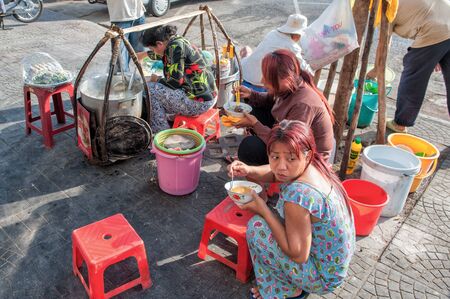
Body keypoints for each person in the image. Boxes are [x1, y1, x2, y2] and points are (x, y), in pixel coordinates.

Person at [228, 120, 355, 299]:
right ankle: (284, 283)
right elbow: (276, 173)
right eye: (275, 156)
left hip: (322, 277)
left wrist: (263, 209)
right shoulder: (314, 166)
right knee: (272, 221)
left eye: (290, 158)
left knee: (257, 228)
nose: (281, 166)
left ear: (307, 154)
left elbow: (298, 255)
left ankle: (284, 291)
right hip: (332, 265)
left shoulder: (299, 195)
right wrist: (249, 170)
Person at [235, 49, 334, 165]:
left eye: (268, 78)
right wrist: (251, 94)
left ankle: (266, 174)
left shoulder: (303, 105)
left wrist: (255, 125)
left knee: (249, 148)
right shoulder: (291, 85)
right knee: (254, 109)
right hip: (290, 139)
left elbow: (287, 145)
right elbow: (272, 100)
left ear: (285, 79)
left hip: (309, 158)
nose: (263, 81)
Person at [367, 0, 450, 133]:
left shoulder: (383, 4)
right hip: (444, 19)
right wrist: (438, 53)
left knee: (413, 75)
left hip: (433, 28)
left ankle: (400, 124)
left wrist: (375, 70)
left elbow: (384, 41)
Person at [141, 25, 217, 133]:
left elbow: (174, 83)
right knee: (157, 89)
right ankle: (166, 118)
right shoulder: (177, 40)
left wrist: (156, 80)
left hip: (200, 102)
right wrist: (142, 55)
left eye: (152, 48)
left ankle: (160, 131)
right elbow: (163, 55)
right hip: (209, 95)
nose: (152, 51)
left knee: (150, 90)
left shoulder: (175, 47)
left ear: (159, 43)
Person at [240, 13, 313, 92]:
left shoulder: (272, 33)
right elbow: (305, 70)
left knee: (247, 50)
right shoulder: (292, 46)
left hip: (245, 74)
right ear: (297, 35)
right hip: (259, 85)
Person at [107, 0, 146, 72]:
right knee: (121, 60)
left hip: (139, 15)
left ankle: (139, 79)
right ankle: (116, 79)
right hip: (120, 18)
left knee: (139, 54)